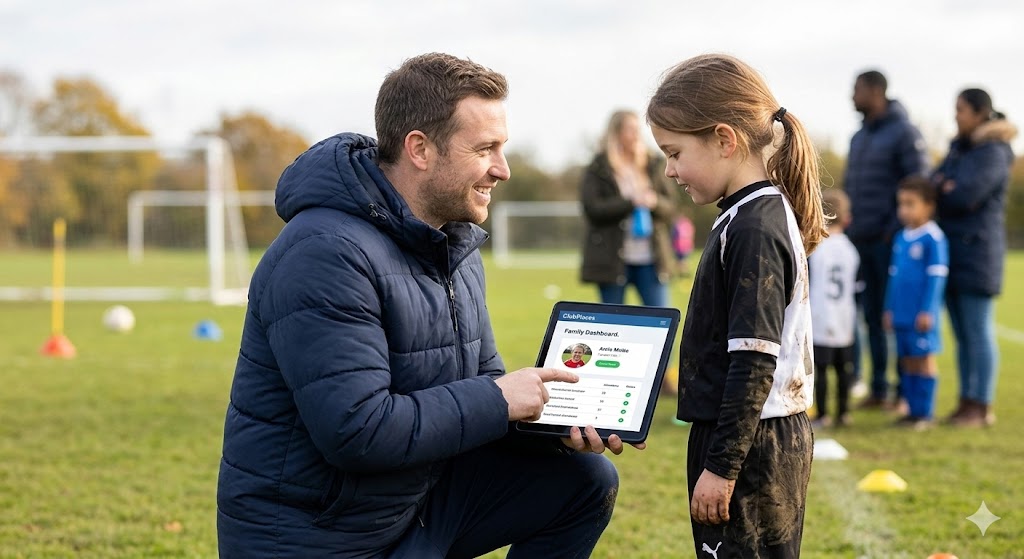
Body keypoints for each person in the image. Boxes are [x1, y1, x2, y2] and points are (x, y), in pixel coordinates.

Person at [216, 53, 635, 559]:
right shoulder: (324, 252)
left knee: (584, 477)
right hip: (320, 536)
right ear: (419, 149)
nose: (501, 170)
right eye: (485, 149)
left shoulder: (452, 246)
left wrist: (555, 427)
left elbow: (482, 394)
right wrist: (501, 398)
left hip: (409, 507)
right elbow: (357, 431)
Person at [647, 53, 825, 558]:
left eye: (675, 152)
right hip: (746, 439)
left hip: (752, 449)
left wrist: (722, 468)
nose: (670, 169)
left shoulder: (754, 226)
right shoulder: (745, 215)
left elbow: (754, 360)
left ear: (724, 140)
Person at [844, 70, 930, 410]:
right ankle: (878, 389)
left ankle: (901, 392)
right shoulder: (858, 137)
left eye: (856, 90)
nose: (852, 97)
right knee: (871, 317)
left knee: (894, 315)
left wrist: (892, 228)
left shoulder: (905, 132)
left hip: (889, 240)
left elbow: (918, 182)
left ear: (875, 91)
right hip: (859, 239)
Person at [934, 88, 1018, 427]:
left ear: (981, 112)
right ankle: (966, 402)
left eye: (961, 110)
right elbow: (932, 183)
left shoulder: (994, 151)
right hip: (954, 251)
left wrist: (948, 188)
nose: (956, 115)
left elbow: (967, 195)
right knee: (962, 335)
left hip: (979, 254)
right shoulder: (960, 147)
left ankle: (981, 406)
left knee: (978, 330)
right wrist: (944, 185)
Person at [579, 109, 679, 307]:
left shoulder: (654, 163)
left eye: (637, 129)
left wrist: (654, 202)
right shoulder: (599, 166)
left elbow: (671, 207)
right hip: (612, 261)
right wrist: (630, 202)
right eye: (630, 129)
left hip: (651, 260)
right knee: (613, 325)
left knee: (660, 321)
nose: (636, 135)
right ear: (616, 133)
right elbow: (592, 209)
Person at [882, 177, 948, 430]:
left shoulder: (934, 238)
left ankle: (925, 414)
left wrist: (928, 310)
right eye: (901, 204)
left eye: (911, 204)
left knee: (923, 360)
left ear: (928, 206)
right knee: (907, 360)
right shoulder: (901, 237)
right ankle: (911, 411)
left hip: (921, 315)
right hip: (900, 313)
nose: (904, 210)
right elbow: (894, 278)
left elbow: (936, 278)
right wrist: (889, 308)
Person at [808, 189, 860, 429]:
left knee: (821, 369)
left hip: (820, 316)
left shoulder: (816, 247)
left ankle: (823, 414)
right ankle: (843, 412)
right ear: (847, 219)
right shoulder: (851, 250)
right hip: (844, 317)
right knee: (843, 368)